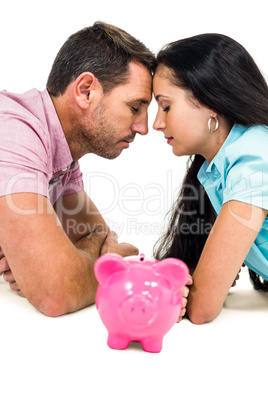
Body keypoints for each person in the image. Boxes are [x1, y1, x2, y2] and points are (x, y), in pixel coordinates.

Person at [0, 21, 155, 316]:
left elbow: (98, 234)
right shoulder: (13, 130)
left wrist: (72, 261)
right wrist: (107, 271)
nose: (143, 127)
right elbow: (56, 291)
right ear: (85, 91)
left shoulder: (63, 156)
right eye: (135, 107)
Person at [153, 33, 268, 324]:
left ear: (210, 101)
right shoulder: (218, 166)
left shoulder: (253, 156)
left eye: (165, 106)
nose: (156, 123)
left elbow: (202, 308)